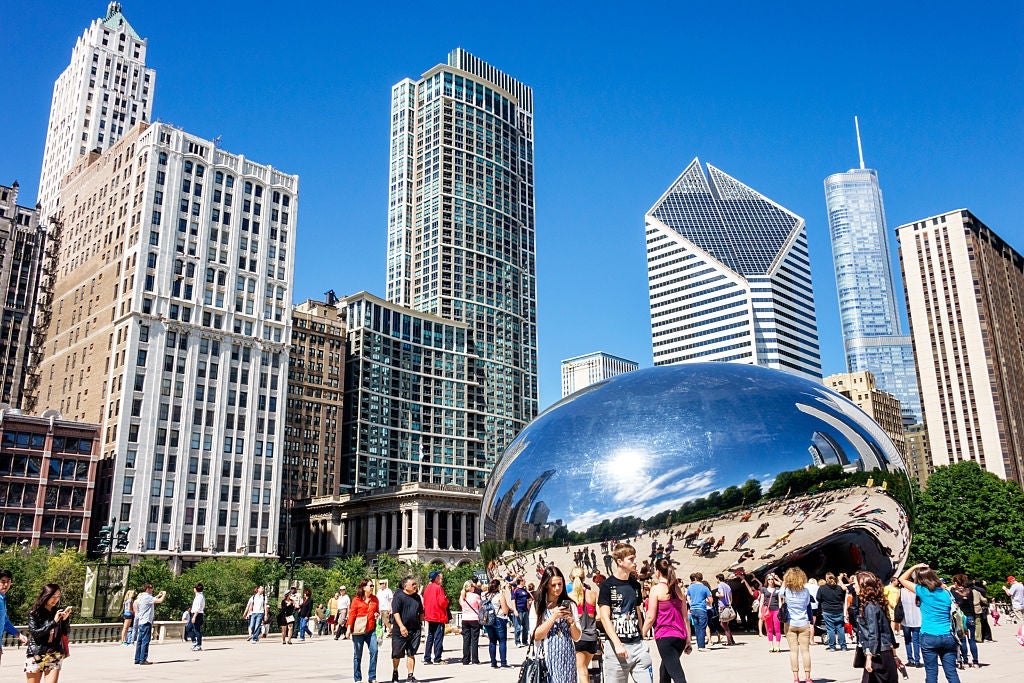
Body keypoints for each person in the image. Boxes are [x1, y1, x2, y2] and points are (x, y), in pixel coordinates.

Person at [597, 543, 653, 683]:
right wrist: (617, 643)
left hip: (638, 645)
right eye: (631, 559)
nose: (635, 562)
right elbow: (604, 617)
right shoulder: (607, 585)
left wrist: (642, 636)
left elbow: (637, 610)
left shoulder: (634, 584)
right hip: (617, 649)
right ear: (619, 561)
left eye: (635, 558)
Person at [898, 563, 960, 683]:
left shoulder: (922, 591)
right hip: (948, 635)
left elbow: (902, 579)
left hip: (929, 635)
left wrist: (915, 567)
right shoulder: (947, 593)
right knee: (952, 673)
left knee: (931, 673)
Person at [641, 558, 691, 683]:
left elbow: (650, 617)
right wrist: (688, 640)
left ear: (657, 572)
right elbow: (685, 618)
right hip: (680, 636)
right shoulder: (678, 590)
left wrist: (641, 634)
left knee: (677, 674)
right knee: (665, 671)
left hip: (665, 636)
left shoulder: (656, 589)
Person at [533, 566, 580, 683]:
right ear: (546, 585)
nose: (557, 588)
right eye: (553, 585)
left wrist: (571, 622)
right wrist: (553, 616)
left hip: (568, 659)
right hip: (547, 660)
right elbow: (536, 636)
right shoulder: (538, 606)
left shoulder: (571, 605)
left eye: (560, 584)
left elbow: (577, 637)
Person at [855, 572, 899, 683]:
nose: (854, 586)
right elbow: (887, 631)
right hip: (884, 652)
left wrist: (869, 657)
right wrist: (894, 655)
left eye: (855, 584)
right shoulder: (877, 604)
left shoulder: (870, 606)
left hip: (878, 655)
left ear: (863, 586)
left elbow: (873, 633)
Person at [24, 583, 71, 682]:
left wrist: (65, 620)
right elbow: (35, 633)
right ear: (46, 596)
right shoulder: (34, 613)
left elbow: (66, 633)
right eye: (53, 596)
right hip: (36, 653)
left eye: (58, 596)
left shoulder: (58, 612)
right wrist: (53, 622)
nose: (56, 599)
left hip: (54, 653)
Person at [781, 567, 812, 683]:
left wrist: (784, 582)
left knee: (793, 651)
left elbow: (780, 593)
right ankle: (808, 677)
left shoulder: (787, 591)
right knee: (805, 651)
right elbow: (807, 603)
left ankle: (796, 677)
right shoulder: (806, 591)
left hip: (790, 623)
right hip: (804, 622)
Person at [569, 566, 599, 683]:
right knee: (584, 668)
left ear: (571, 578)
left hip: (578, 637)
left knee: (581, 670)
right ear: (584, 578)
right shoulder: (592, 594)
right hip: (591, 637)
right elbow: (600, 616)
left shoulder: (570, 596)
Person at [391, 576, 424, 683]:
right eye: (413, 584)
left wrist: (421, 623)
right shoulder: (398, 596)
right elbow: (395, 612)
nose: (415, 586)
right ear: (406, 586)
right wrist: (401, 626)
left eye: (415, 584)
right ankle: (395, 671)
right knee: (397, 654)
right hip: (400, 630)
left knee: (411, 653)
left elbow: (421, 611)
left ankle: (410, 676)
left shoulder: (417, 597)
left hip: (414, 630)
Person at [348, 578, 381, 683]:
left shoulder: (375, 599)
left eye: (372, 586)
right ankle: (357, 678)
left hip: (371, 630)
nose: (372, 587)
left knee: (374, 651)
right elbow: (352, 614)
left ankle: (372, 677)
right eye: (370, 586)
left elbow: (377, 611)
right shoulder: (356, 600)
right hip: (358, 631)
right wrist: (349, 629)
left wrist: (377, 614)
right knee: (358, 655)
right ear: (363, 587)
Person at [133, 582, 166, 665]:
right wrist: (164, 594)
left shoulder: (141, 597)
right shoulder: (148, 597)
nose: (152, 589)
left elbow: (152, 599)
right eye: (151, 588)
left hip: (141, 621)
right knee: (145, 641)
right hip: (147, 621)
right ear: (147, 589)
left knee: (139, 641)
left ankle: (137, 659)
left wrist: (158, 595)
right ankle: (143, 659)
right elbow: (160, 601)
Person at [949, 575, 979, 668]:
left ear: (955, 583)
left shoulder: (953, 592)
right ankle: (975, 662)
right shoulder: (970, 591)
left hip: (960, 618)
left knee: (962, 641)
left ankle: (965, 661)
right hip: (970, 617)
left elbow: (947, 589)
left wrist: (952, 586)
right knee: (972, 640)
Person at [482, 579, 512, 668]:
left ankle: (493, 662)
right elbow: (505, 610)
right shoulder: (500, 596)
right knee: (502, 641)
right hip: (499, 618)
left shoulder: (486, 595)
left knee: (492, 641)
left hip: (488, 620)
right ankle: (503, 662)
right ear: (498, 586)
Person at [422, 570, 450, 664]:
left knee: (430, 636)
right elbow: (442, 602)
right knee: (438, 637)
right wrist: (447, 601)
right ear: (436, 578)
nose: (441, 579)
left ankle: (427, 657)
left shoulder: (427, 588)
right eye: (440, 577)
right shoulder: (438, 588)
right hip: (438, 615)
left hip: (430, 615)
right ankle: (437, 658)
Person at [817, 573, 848, 651]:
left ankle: (832, 646)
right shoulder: (838, 588)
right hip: (839, 610)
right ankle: (843, 646)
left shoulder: (822, 588)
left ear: (826, 579)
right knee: (840, 628)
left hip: (827, 610)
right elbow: (842, 596)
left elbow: (818, 598)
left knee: (830, 629)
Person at [899, 581, 922, 667]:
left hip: (905, 618)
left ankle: (910, 659)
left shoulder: (901, 591)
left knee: (907, 640)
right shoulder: (917, 591)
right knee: (916, 641)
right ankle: (917, 660)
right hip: (917, 618)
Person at [685, 573, 711, 651]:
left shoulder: (690, 587)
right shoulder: (705, 588)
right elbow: (710, 600)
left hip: (693, 609)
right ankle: (701, 646)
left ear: (696, 578)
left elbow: (688, 597)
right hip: (701, 609)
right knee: (702, 627)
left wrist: (691, 603)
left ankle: (699, 644)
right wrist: (705, 601)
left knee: (697, 627)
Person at [459, 580, 481, 665]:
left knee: (466, 639)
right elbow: (480, 606)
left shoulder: (462, 596)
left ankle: (465, 659)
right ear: (471, 587)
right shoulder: (476, 596)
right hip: (474, 618)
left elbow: (461, 605)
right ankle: (475, 659)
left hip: (465, 619)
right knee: (474, 640)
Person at [762, 573, 783, 653]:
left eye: (771, 579)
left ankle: (778, 646)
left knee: (777, 628)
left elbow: (780, 600)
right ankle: (771, 645)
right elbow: (762, 601)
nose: (770, 581)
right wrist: (760, 612)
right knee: (769, 629)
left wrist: (776, 577)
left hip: (776, 610)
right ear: (767, 580)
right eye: (769, 579)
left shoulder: (777, 589)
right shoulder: (764, 589)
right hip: (768, 611)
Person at [714, 573, 736, 646]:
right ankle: (731, 640)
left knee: (723, 624)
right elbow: (731, 597)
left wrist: (717, 594)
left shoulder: (720, 585)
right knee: (726, 623)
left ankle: (729, 641)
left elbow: (722, 594)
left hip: (722, 607)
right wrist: (729, 604)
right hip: (727, 606)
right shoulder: (728, 586)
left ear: (718, 579)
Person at [511, 577, 532, 646]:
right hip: (519, 610)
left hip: (525, 610)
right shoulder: (516, 590)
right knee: (518, 627)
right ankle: (517, 641)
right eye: (524, 580)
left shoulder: (525, 590)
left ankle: (525, 641)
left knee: (526, 627)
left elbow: (530, 598)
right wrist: (515, 610)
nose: (525, 581)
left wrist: (528, 592)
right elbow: (513, 600)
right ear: (521, 581)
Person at [190, 583, 206, 651]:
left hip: (197, 614)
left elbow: (198, 608)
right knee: (188, 628)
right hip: (194, 614)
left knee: (197, 630)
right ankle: (194, 642)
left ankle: (198, 645)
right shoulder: (197, 596)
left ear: (196, 589)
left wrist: (194, 616)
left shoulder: (200, 597)